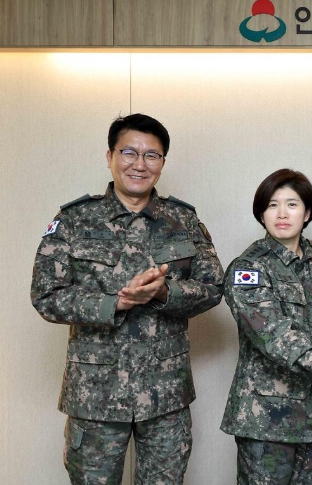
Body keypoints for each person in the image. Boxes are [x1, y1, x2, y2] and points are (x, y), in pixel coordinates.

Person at [31, 113, 224, 484]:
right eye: (129, 153)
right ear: (110, 157)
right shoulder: (74, 220)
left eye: (151, 155)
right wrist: (115, 303)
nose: (140, 164)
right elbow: (46, 294)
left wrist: (166, 292)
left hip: (166, 394)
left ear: (162, 163)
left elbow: (213, 287)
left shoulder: (183, 220)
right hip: (95, 395)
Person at [221, 168, 312, 485]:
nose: (282, 214)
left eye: (292, 204)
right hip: (267, 418)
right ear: (261, 214)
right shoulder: (248, 268)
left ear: (307, 213)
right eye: (272, 205)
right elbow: (273, 335)